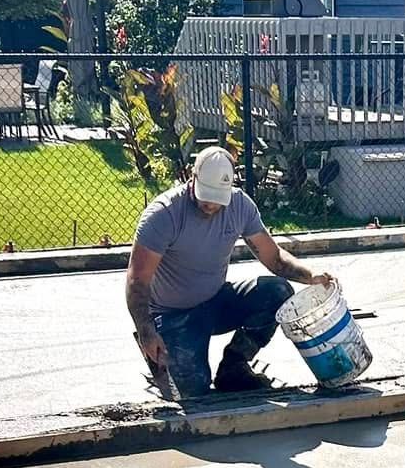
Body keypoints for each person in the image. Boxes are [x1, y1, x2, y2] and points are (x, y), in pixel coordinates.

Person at [126, 147, 332, 400]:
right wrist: (146, 329)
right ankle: (161, 358)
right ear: (193, 177)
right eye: (206, 196)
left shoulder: (240, 205)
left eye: (218, 198)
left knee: (277, 291)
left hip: (215, 301)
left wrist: (310, 275)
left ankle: (233, 366)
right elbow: (138, 280)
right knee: (192, 393)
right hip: (172, 314)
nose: (211, 205)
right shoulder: (163, 215)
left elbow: (274, 258)